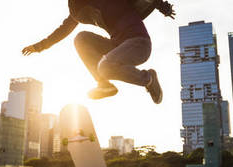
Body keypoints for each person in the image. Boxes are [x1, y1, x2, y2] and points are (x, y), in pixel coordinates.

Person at [22, 0, 175, 104]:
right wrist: (38, 46)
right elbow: (63, 30)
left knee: (105, 66)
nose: (92, 17)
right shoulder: (80, 8)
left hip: (139, 43)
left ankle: (148, 79)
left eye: (89, 14)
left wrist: (161, 5)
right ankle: (104, 85)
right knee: (81, 38)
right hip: (118, 46)